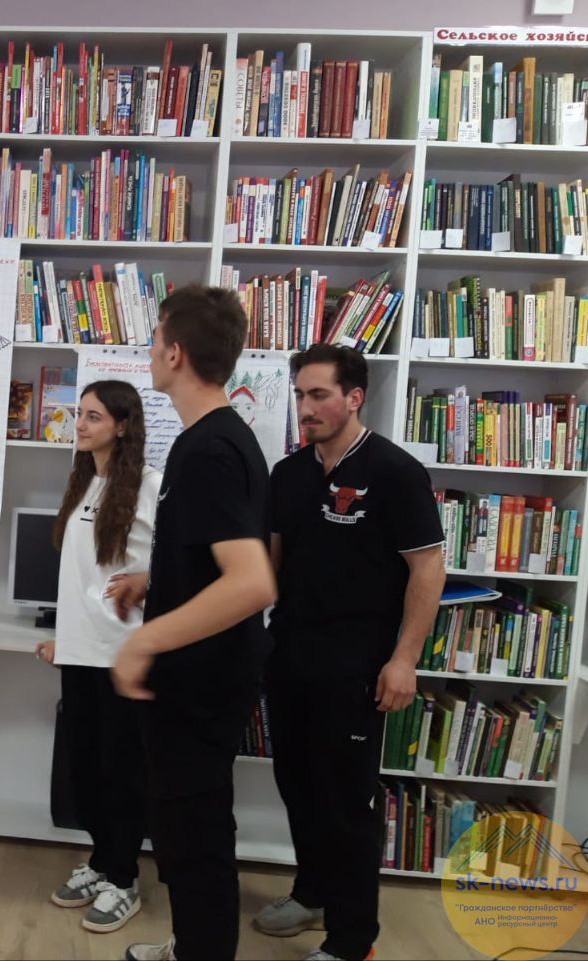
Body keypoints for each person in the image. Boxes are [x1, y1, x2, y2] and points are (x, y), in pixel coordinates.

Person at [253, 344, 445, 961]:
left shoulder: (394, 472)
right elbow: (270, 565)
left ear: (354, 397)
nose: (305, 408)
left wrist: (404, 660)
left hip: (357, 665)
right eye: (300, 395)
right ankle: (312, 893)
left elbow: (428, 569)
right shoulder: (288, 473)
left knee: (345, 803)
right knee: (297, 784)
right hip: (290, 654)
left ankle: (351, 939)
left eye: (319, 395)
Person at [110, 286, 278, 961]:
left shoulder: (209, 450)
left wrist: (144, 640)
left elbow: (252, 581)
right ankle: (191, 945)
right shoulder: (212, 440)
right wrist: (155, 580)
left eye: (154, 341)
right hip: (201, 671)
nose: (149, 353)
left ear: (175, 353)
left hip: (202, 676)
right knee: (184, 825)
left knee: (195, 832)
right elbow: (216, 556)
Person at [34, 380, 161, 934]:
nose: (80, 425)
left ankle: (123, 878)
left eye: (93, 417)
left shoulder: (151, 486)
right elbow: (82, 577)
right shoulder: (85, 481)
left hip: (123, 654)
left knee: (121, 772)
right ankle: (104, 860)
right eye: (78, 414)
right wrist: (64, 638)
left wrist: (148, 581)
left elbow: (175, 565)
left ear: (123, 426)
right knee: (84, 768)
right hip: (80, 652)